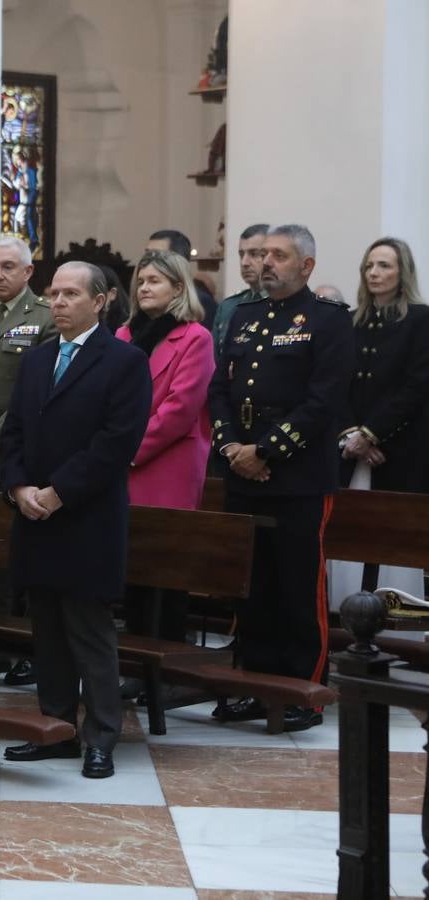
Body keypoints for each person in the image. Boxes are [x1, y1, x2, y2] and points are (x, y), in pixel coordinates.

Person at [0, 261, 151, 779]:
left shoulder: (125, 361)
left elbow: (116, 442)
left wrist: (59, 491)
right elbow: (15, 431)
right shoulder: (37, 359)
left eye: (70, 294)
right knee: (46, 631)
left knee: (89, 632)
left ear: (100, 301)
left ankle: (101, 737)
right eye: (54, 294)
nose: (58, 303)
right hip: (35, 514)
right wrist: (19, 487)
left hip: (88, 517)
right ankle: (56, 728)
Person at [208, 224, 355, 731]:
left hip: (298, 477)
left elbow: (324, 400)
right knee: (252, 587)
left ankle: (302, 693)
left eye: (278, 255)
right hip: (242, 473)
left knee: (296, 588)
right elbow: (219, 390)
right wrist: (232, 447)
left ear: (306, 266)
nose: (266, 262)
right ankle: (256, 686)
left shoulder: (329, 320)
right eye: (262, 253)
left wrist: (266, 450)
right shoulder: (245, 316)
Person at [0, 236, 56, 686]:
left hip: (14, 454)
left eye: (7, 267)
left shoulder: (44, 317)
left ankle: (19, 646)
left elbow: (39, 386)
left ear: (28, 272)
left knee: (16, 558)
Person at [115, 251, 215, 643]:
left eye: (154, 281)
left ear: (177, 287)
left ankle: (168, 654)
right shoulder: (124, 335)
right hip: (124, 463)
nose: (144, 288)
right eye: (140, 281)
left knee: (166, 568)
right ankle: (136, 652)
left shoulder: (195, 338)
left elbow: (180, 408)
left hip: (168, 463)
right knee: (133, 567)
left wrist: (126, 448)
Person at [328, 237, 429, 602]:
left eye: (384, 265)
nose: (374, 272)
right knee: (349, 540)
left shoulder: (420, 319)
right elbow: (335, 384)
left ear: (403, 272)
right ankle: (342, 612)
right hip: (351, 452)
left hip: (398, 451)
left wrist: (372, 434)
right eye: (369, 265)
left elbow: (417, 386)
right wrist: (352, 435)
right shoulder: (350, 320)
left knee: (393, 543)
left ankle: (395, 624)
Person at [212, 224, 269, 360]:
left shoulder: (285, 303)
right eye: (241, 254)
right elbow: (215, 360)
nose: (244, 262)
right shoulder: (229, 307)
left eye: (254, 254)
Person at [146, 229, 217, 330]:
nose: (147, 261)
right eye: (147, 254)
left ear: (179, 260)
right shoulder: (146, 297)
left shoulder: (200, 302)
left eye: (156, 255)